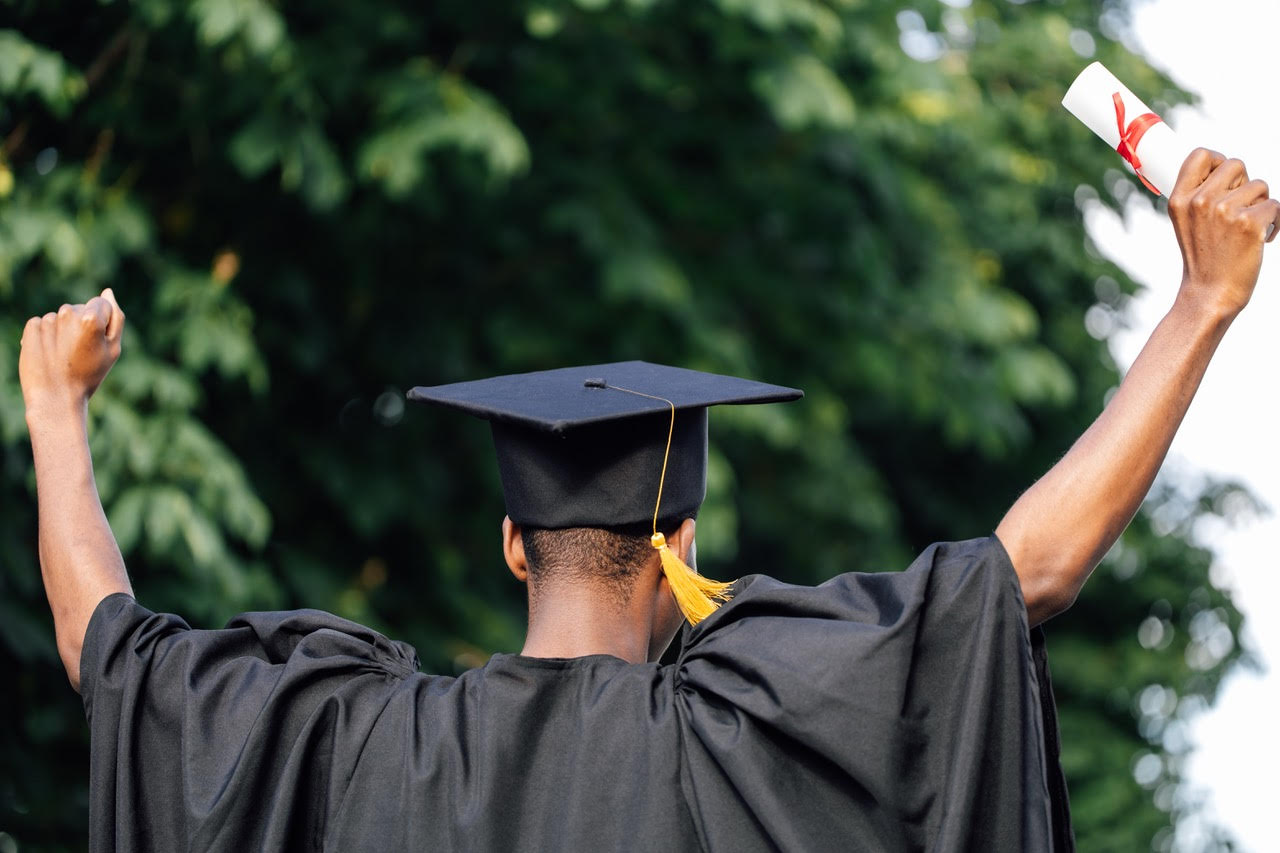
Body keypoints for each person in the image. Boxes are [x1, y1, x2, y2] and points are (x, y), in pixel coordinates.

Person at [20, 149, 1278, 852]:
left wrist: (57, 410)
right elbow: (1026, 572)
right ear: (680, 542)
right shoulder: (762, 739)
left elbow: (107, 651)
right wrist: (1198, 304)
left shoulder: (352, 743)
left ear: (512, 544)